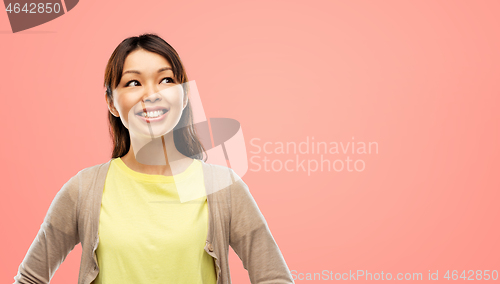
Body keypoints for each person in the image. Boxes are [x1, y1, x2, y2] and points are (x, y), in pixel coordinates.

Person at [13, 33, 294, 284]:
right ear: (111, 102)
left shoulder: (222, 187)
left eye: (166, 80)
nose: (151, 94)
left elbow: (274, 278)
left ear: (184, 96)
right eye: (133, 82)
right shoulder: (83, 189)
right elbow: (29, 279)